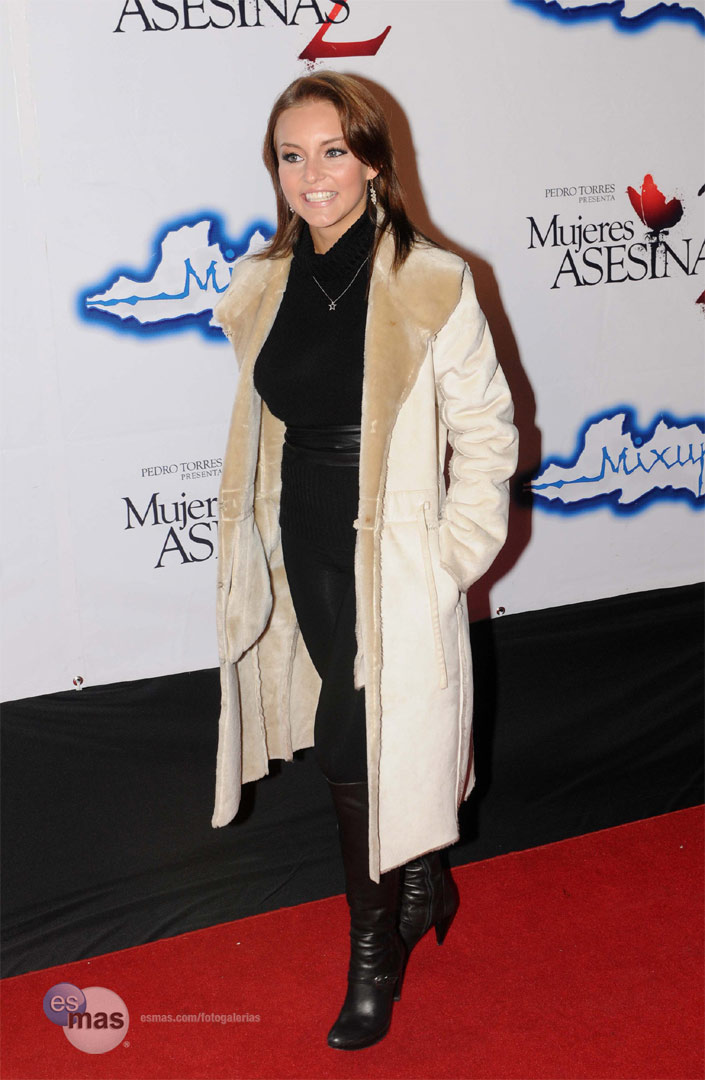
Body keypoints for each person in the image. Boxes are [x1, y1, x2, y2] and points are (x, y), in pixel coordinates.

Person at [211, 70, 518, 1051]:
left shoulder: (431, 280)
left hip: (396, 546)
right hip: (304, 535)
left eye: (333, 151)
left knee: (349, 739)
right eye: (291, 156)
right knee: (361, 727)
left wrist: (451, 559)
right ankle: (421, 874)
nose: (313, 174)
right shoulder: (262, 284)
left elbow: (489, 433)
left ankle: (373, 960)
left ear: (373, 161)